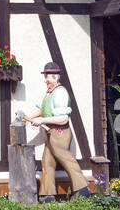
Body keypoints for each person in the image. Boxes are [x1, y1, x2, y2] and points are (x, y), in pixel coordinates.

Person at [24, 62, 94, 202]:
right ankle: (47, 195)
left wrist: (42, 121)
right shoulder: (50, 92)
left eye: (48, 77)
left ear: (55, 77)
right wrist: (28, 118)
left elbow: (63, 118)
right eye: (45, 76)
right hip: (50, 134)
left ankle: (82, 189)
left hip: (59, 133)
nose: (45, 80)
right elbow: (41, 109)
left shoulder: (60, 93)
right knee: (47, 163)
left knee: (66, 158)